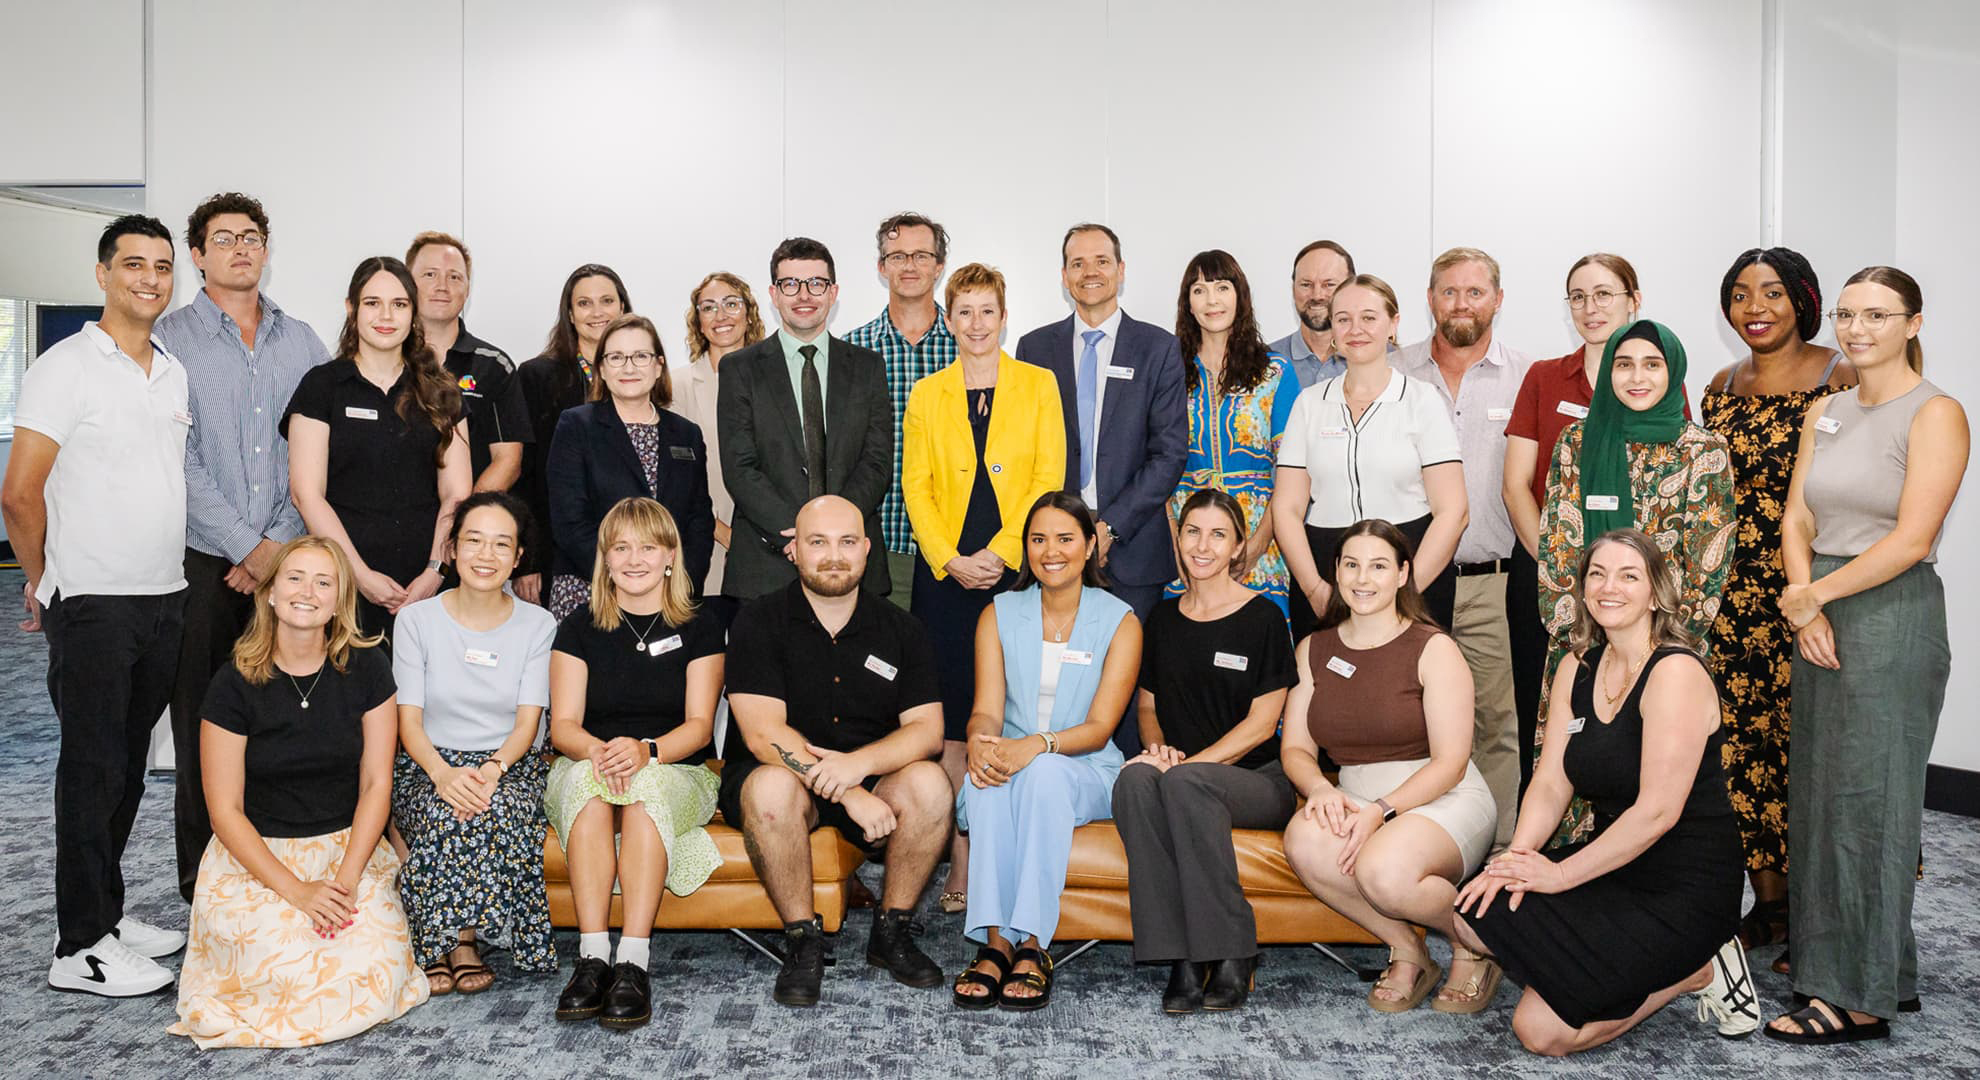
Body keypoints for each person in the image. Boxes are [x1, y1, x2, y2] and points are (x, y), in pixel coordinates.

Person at [1453, 529, 1754, 1056]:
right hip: (1616, 865)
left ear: (1657, 594)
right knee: (1475, 911)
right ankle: (1594, 966)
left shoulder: (1675, 672)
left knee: (1541, 1033)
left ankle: (1698, 969)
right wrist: (1518, 857)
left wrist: (1559, 874)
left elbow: (1658, 813)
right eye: (1597, 574)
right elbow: (1550, 781)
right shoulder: (1578, 666)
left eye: (1628, 575)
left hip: (1685, 886)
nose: (1609, 587)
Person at [1768, 266, 1968, 1045]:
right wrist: (1799, 591)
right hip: (1816, 604)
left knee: (1871, 805)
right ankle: (1886, 972)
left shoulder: (1936, 413)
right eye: (1848, 314)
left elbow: (1913, 538)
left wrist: (1816, 596)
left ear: (1913, 324)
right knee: (1823, 799)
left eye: (1878, 315)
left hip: (1889, 612)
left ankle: (1857, 999)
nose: (1857, 329)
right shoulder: (1827, 409)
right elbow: (1796, 517)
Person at [5, 214, 191, 996]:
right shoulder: (64, 366)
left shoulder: (171, 369)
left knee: (128, 770)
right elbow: (18, 492)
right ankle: (78, 946)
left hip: (164, 595)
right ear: (102, 274)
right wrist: (48, 578)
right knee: (91, 769)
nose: (149, 278)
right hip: (94, 602)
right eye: (133, 265)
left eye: (161, 266)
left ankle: (104, 915)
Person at [170, 536, 428, 1046]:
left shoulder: (370, 668)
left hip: (347, 847)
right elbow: (224, 811)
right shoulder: (231, 683)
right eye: (294, 577)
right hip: (257, 858)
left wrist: (347, 880)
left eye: (323, 581)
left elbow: (378, 784)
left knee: (370, 963)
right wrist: (298, 892)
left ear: (339, 601)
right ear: (269, 593)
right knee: (277, 961)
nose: (307, 591)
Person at [159, 192, 329, 905]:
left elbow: (322, 452)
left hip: (291, 563)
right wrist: (244, 544)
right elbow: (177, 454)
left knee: (290, 722)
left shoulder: (303, 340)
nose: (240, 249)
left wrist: (278, 545)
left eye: (252, 237)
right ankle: (207, 886)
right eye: (223, 238)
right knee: (207, 724)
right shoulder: (169, 339)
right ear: (197, 254)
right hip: (202, 563)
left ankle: (284, 872)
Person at [723, 495, 951, 1007]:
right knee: (772, 788)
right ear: (794, 552)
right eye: (818, 542)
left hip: (868, 773)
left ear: (867, 550)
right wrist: (846, 790)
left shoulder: (903, 630)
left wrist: (859, 768)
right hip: (777, 776)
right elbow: (762, 734)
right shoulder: (757, 622)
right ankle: (802, 941)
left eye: (847, 542)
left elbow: (927, 731)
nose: (833, 555)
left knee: (931, 785)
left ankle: (891, 932)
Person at [1700, 247, 1854, 962]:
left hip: (1809, 589)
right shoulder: (1719, 384)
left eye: (1770, 293)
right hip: (1730, 600)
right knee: (1740, 752)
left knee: (1811, 751)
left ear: (1802, 299)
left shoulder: (1840, 376)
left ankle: (1823, 916)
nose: (1754, 307)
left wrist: (1813, 591)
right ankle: (1769, 907)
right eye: (1740, 294)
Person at [900, 262, 1064, 915]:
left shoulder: (1038, 385)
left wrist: (999, 553)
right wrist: (950, 558)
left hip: (1017, 568)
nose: (975, 324)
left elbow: (1048, 473)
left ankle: (1004, 853)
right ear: (949, 319)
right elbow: (916, 486)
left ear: (1003, 317)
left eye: (987, 311)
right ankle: (959, 858)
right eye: (963, 312)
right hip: (944, 577)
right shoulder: (925, 393)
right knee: (950, 719)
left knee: (1007, 710)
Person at [1280, 520, 1498, 1014]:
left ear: (1403, 574)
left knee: (1385, 871)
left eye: (1379, 566)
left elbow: (1451, 762)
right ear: (1335, 572)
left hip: (1443, 796)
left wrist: (1381, 809)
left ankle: (1472, 944)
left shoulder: (1433, 647)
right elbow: (1295, 748)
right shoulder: (1314, 648)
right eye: (1351, 565)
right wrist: (1319, 789)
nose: (1363, 578)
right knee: (1305, 840)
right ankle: (1409, 949)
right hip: (1358, 795)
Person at [1534, 319, 1734, 842]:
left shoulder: (1702, 451)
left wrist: (1651, 653)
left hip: (1666, 657)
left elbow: (1705, 568)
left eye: (1652, 364)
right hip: (1582, 645)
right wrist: (1584, 644)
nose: (1636, 377)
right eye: (1623, 364)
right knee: (1571, 775)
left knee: (1656, 788)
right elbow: (1558, 552)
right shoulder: (1577, 444)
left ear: (1675, 371)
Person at [952, 491, 1139, 1012]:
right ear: (1026, 548)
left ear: (1088, 548)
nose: (1050, 551)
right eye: (1038, 539)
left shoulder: (1120, 620)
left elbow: (1101, 728)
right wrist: (979, 741)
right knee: (987, 776)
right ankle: (996, 945)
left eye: (1064, 538)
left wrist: (1037, 746)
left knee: (1043, 775)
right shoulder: (1000, 613)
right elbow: (987, 708)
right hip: (1013, 756)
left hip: (1085, 768)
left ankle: (1034, 946)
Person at [1112, 489, 1296, 1014]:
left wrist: (1187, 768)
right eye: (1192, 531)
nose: (1202, 545)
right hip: (1183, 773)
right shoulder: (1164, 620)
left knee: (1183, 784)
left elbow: (1263, 726)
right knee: (1131, 781)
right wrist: (1158, 752)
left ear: (1238, 547)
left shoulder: (1264, 618)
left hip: (1259, 780)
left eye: (1218, 534)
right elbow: (1147, 706)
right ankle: (1182, 956)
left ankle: (1234, 949)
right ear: (1179, 538)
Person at [545, 497, 725, 1030]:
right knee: (587, 785)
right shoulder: (577, 626)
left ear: (671, 555)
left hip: (676, 764)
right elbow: (564, 727)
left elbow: (698, 725)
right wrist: (601, 753)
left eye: (648, 546)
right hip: (589, 759)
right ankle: (593, 956)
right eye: (620, 547)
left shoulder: (701, 624)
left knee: (646, 793)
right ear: (605, 558)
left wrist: (645, 752)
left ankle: (633, 963)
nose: (634, 558)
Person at [391, 491, 558, 996]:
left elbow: (528, 723)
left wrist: (491, 771)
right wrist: (443, 774)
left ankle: (455, 941)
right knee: (445, 808)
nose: (486, 556)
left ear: (518, 556)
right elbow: (409, 722)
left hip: (511, 763)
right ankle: (449, 940)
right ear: (452, 549)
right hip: (427, 761)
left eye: (501, 544)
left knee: (484, 807)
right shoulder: (416, 620)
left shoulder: (538, 623)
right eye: (474, 542)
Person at [1395, 248, 1534, 847]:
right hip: (1409, 585)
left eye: (1475, 293)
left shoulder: (1529, 376)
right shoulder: (1394, 373)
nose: (1461, 305)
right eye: (1449, 292)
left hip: (1490, 581)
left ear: (1498, 300)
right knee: (1407, 722)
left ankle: (1499, 852)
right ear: (1430, 299)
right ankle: (1416, 846)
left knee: (1497, 722)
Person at [1504, 253, 1642, 796]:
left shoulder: (1654, 379)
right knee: (1539, 713)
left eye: (1604, 293)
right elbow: (1516, 486)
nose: (1591, 307)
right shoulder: (1544, 378)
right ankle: (1532, 844)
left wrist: (1610, 580)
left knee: (1621, 712)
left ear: (1634, 300)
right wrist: (1562, 570)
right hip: (1545, 578)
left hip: (1626, 587)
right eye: (1578, 296)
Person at [283, 256, 471, 639]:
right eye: (372, 303)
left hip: (428, 586)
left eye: (399, 304)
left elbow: (456, 492)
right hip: (341, 584)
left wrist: (435, 572)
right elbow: (306, 494)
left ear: (413, 313)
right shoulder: (322, 387)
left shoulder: (442, 391)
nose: (386, 315)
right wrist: (359, 575)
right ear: (352, 309)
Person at [1273, 274, 1468, 641]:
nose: (1355, 329)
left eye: (1369, 317)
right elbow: (1286, 508)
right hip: (1325, 570)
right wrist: (1316, 590)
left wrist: (1404, 592)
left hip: (1412, 569)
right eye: (1343, 318)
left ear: (1393, 324)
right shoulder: (1309, 404)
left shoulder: (1421, 400)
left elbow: (1453, 512)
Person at [1016, 224, 1188, 626]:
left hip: (1134, 548)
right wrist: (1061, 532)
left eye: (1101, 261)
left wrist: (1109, 528)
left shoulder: (1158, 348)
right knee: (1062, 674)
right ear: (1064, 276)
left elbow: (1169, 453)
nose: (1089, 272)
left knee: (1128, 678)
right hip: (1055, 548)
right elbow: (1026, 447)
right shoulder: (1034, 349)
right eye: (1078, 263)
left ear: (1121, 270)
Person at [717, 238, 895, 600]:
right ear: (774, 294)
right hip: (767, 564)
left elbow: (876, 462)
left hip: (852, 567)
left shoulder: (867, 367)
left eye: (816, 283)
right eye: (790, 284)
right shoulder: (740, 369)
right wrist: (799, 534)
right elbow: (740, 466)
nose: (804, 295)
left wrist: (835, 538)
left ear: (833, 293)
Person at [545, 313, 714, 619]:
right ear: (602, 369)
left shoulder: (687, 433)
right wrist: (623, 580)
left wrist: (677, 584)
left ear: (658, 365)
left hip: (671, 595)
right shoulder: (576, 426)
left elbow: (699, 520)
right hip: (591, 588)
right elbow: (570, 522)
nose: (629, 367)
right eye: (616, 357)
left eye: (640, 356)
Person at [1166, 249, 1303, 617]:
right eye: (1199, 290)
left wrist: (1258, 543)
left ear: (1239, 296)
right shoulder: (1168, 372)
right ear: (1187, 303)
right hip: (1190, 540)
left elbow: (1292, 473)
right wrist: (1176, 542)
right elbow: (1157, 463)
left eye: (1222, 287)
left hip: (1259, 537)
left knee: (1259, 655)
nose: (1212, 300)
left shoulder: (1274, 372)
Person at [407, 235, 540, 578]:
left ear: (467, 290)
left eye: (455, 277)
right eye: (430, 274)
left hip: (468, 547)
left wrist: (460, 525)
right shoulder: (385, 362)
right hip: (395, 533)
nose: (442, 286)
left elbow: (508, 462)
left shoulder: (493, 365)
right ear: (408, 283)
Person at [843, 211, 957, 607]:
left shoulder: (970, 349)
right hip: (877, 542)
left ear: (939, 266)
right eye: (898, 256)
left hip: (954, 544)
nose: (910, 266)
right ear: (881, 267)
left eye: (922, 256)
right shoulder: (851, 352)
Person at [517, 265, 633, 599]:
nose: (597, 312)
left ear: (622, 307)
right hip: (559, 557)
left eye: (607, 300)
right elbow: (527, 477)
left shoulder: (643, 374)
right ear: (569, 313)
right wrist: (530, 560)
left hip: (633, 555)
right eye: (584, 303)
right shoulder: (537, 377)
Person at [672, 271, 767, 624]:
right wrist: (726, 536)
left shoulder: (774, 381)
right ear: (698, 320)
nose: (721, 315)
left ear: (749, 313)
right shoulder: (676, 385)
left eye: (731, 304)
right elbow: (677, 480)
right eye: (708, 307)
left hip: (764, 551)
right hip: (703, 545)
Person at [1267, 239, 1356, 388]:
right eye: (1306, 285)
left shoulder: (1382, 359)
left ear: (1352, 288)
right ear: (1293, 289)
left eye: (1329, 284)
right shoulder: (1264, 362)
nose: (1317, 295)